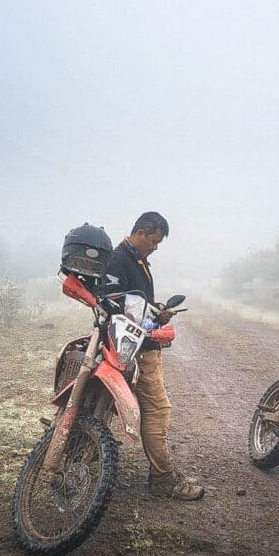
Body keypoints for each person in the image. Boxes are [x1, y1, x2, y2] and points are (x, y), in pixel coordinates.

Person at [103, 211, 205, 501]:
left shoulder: (135, 260)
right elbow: (117, 303)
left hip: (131, 344)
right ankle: (162, 479)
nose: (156, 247)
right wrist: (151, 314)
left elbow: (134, 302)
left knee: (144, 408)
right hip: (135, 348)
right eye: (155, 241)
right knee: (157, 409)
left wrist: (157, 310)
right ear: (142, 232)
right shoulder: (119, 259)